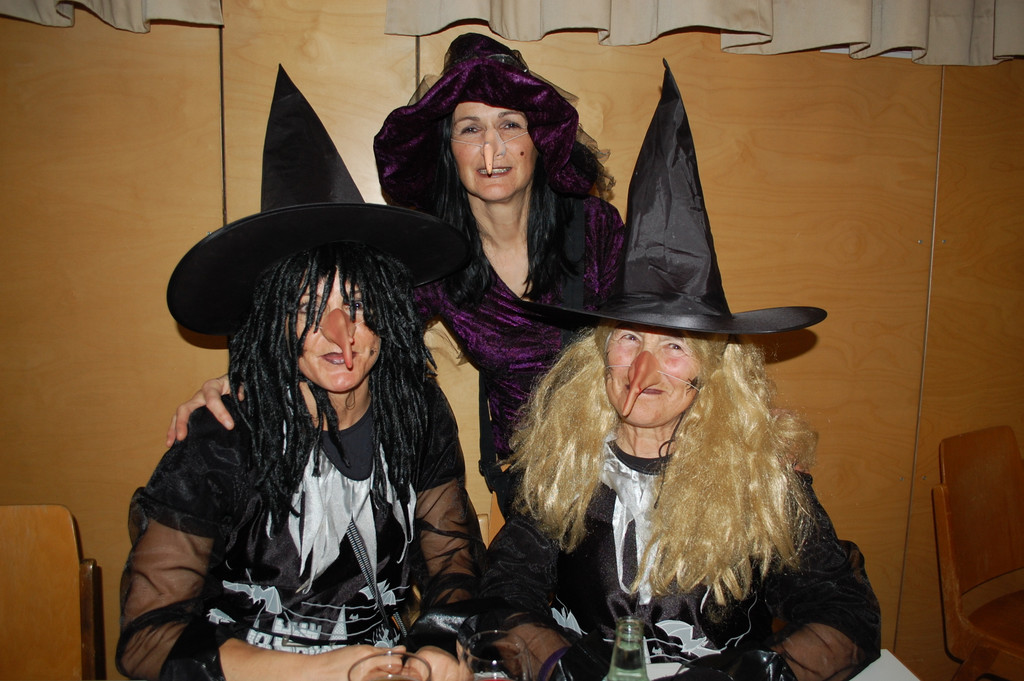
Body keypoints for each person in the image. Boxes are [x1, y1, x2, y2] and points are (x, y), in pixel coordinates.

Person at [471, 64, 880, 681]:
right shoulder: (563, 463)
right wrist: (564, 667)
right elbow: (504, 597)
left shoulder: (758, 474)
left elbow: (844, 613)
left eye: (675, 347)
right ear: (600, 356)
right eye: (630, 337)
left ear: (712, 373)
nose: (643, 367)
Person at [117, 68, 484, 681]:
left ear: (391, 317)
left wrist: (435, 653)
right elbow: (147, 640)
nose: (341, 335)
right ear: (274, 322)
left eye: (359, 305)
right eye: (310, 308)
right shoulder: (220, 437)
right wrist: (315, 671)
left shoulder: (416, 411)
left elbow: (452, 564)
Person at [168, 34, 626, 515]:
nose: (492, 149)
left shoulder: (595, 228)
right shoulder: (438, 259)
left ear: (538, 141)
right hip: (531, 481)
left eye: (510, 125)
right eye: (471, 129)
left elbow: (652, 334)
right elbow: (350, 327)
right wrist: (242, 380)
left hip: (625, 454)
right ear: (448, 150)